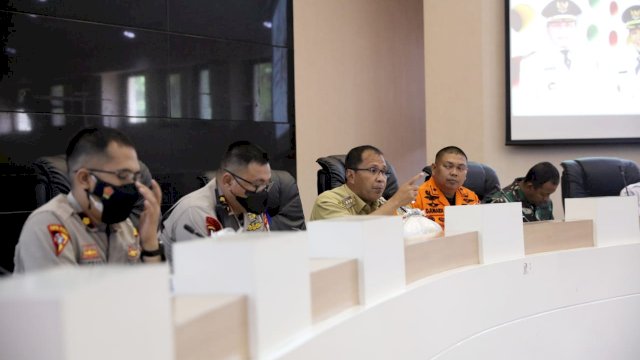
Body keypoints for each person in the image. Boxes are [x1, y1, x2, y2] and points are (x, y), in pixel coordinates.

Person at [13, 127, 163, 272]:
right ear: (85, 179)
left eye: (136, 176)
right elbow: (65, 297)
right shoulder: (48, 225)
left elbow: (151, 290)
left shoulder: (125, 227)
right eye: (123, 175)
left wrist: (149, 242)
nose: (133, 185)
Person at [160, 141, 271, 261]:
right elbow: (206, 273)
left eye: (266, 183)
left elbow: (264, 254)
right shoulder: (195, 211)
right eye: (256, 184)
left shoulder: (250, 206)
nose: (262, 190)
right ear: (228, 181)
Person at [310, 145, 423, 220]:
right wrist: (395, 201)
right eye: (373, 170)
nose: (381, 179)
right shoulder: (327, 202)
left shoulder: (380, 202)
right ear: (351, 176)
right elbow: (352, 237)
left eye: (383, 171)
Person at [412, 146, 479, 229]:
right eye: (448, 166)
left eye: (460, 168)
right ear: (434, 168)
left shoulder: (471, 197)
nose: (454, 173)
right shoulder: (416, 197)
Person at [483, 162, 559, 222]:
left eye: (549, 194)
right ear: (530, 186)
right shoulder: (501, 203)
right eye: (543, 194)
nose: (546, 199)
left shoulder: (545, 203)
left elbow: (550, 232)